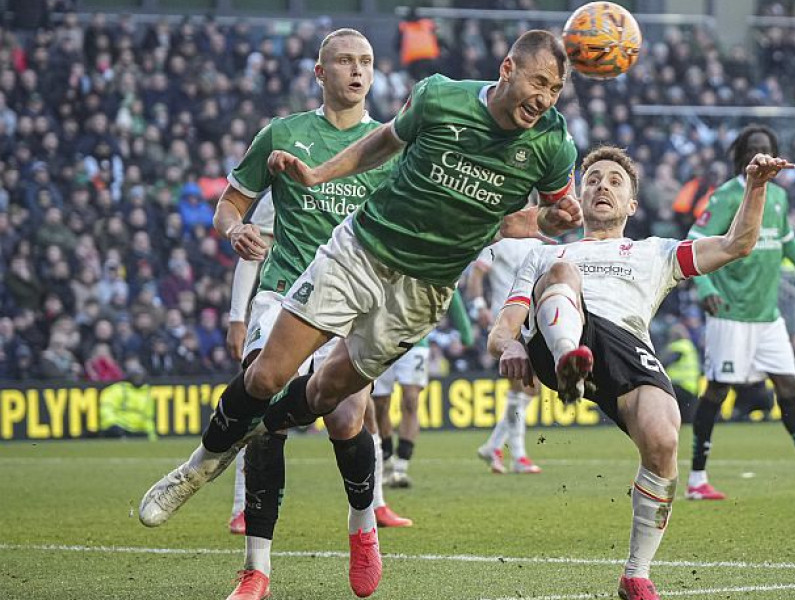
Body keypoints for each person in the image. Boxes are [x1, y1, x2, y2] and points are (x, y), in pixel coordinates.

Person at [138, 29, 582, 599]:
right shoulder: (438, 97)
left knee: (335, 407)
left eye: (556, 88)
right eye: (539, 82)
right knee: (268, 378)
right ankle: (200, 468)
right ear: (507, 68)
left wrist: (552, 223)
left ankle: (361, 523)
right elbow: (383, 145)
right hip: (360, 253)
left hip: (422, 291)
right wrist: (318, 176)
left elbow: (536, 218)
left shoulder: (552, 146)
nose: (545, 97)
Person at [145, 28, 407, 600]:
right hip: (283, 292)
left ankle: (363, 528)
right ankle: (256, 569)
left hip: (354, 299)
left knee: (344, 418)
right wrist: (236, 230)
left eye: (365, 61)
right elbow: (231, 202)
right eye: (344, 61)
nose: (357, 71)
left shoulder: (387, 147)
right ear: (321, 73)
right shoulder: (284, 133)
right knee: (262, 413)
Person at [489, 146, 793, 600]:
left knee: (664, 438)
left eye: (614, 181)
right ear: (578, 195)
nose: (601, 186)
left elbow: (737, 244)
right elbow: (501, 332)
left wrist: (756, 186)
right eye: (592, 179)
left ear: (632, 203)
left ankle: (636, 573)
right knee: (561, 271)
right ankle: (569, 359)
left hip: (624, 349)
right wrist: (510, 347)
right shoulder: (545, 255)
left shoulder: (656, 252)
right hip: (557, 338)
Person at [686, 125, 795, 501]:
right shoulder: (728, 195)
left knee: (789, 386)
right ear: (742, 156)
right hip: (730, 313)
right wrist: (704, 286)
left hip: (767, 316)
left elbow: (788, 242)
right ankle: (697, 480)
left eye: (767, 149)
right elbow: (692, 240)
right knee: (718, 390)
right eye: (754, 150)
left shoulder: (779, 197)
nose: (761, 156)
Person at [224, 191, 413, 541]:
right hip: (290, 308)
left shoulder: (374, 171)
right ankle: (241, 507)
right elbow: (253, 249)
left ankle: (374, 505)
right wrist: (238, 317)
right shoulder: (291, 177)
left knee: (358, 411)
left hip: (345, 307)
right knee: (265, 401)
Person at [373, 291, 474, 488]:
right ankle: (386, 460)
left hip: (416, 342)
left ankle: (401, 466)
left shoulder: (426, 262)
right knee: (380, 405)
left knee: (411, 401)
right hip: (381, 341)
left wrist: (465, 334)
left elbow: (452, 292)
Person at [470, 237, 546, 474]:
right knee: (518, 387)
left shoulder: (537, 242)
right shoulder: (497, 242)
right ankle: (519, 456)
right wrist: (480, 306)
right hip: (506, 322)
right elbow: (476, 276)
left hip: (531, 321)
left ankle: (493, 445)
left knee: (532, 388)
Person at [98, 364, 155, 441]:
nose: (138, 379)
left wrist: (151, 436)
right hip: (119, 428)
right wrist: (113, 425)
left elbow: (148, 418)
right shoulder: (118, 389)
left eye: (140, 376)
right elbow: (107, 409)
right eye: (136, 376)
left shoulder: (146, 393)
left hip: (136, 431)